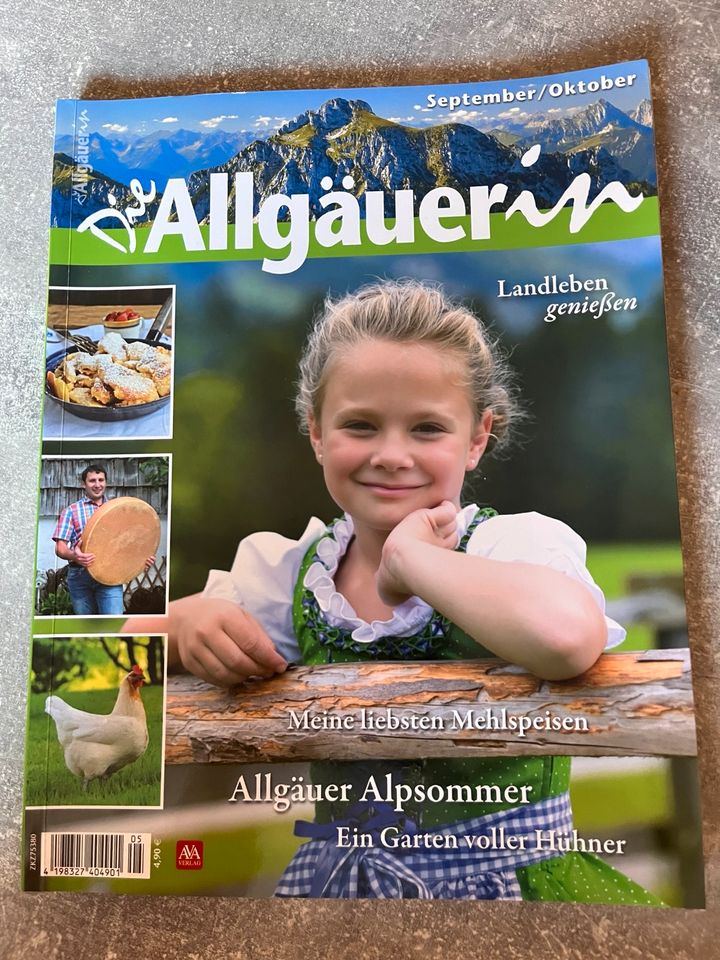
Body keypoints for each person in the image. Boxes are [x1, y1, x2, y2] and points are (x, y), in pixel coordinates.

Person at [134, 280, 662, 902]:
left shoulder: (511, 549)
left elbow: (566, 640)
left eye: (427, 429)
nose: (391, 454)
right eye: (360, 424)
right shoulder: (292, 574)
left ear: (476, 438)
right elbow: (112, 651)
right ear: (316, 433)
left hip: (511, 899)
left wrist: (413, 560)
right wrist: (184, 620)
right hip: (342, 897)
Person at [52, 463, 155, 616]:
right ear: (83, 484)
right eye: (92, 480)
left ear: (105, 482)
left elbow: (127, 542)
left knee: (112, 625)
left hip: (110, 577)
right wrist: (75, 556)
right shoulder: (71, 511)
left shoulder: (118, 509)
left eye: (101, 480)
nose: (97, 485)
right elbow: (60, 548)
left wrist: (140, 560)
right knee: (86, 629)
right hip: (80, 577)